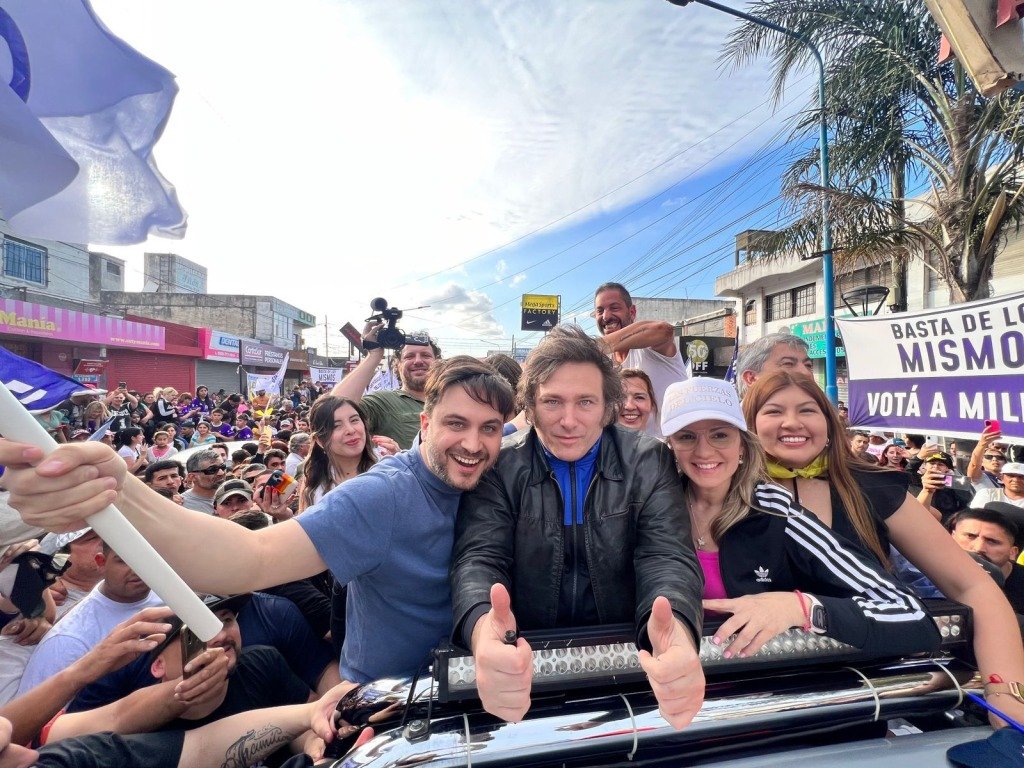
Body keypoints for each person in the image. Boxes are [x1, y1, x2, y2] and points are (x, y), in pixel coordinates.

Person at [0, 356, 515, 686]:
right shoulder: (384, 495)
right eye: (455, 424)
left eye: (488, 428)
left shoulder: (503, 474)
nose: (473, 444)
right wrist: (118, 488)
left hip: (478, 693)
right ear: (424, 424)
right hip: (392, 711)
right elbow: (249, 559)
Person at [451, 325, 703, 728]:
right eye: (552, 402)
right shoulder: (501, 465)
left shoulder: (647, 460)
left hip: (630, 659)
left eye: (585, 402)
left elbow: (666, 554)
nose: (568, 421)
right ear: (530, 407)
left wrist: (675, 627)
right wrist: (484, 630)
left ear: (608, 407)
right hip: (524, 661)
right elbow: (479, 558)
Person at [742, 370, 1024, 728]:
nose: (792, 422)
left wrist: (1006, 700)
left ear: (830, 423)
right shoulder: (723, 488)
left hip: (868, 697)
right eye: (774, 411)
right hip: (741, 700)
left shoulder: (872, 486)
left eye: (807, 410)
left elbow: (973, 586)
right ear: (748, 424)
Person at [660, 377, 939, 659]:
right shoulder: (650, 511)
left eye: (720, 435)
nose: (704, 451)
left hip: (761, 693)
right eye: (687, 436)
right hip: (650, 691)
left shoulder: (775, 510)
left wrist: (801, 608)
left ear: (743, 445)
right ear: (670, 445)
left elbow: (908, 612)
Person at [16, 543, 165, 697]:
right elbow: (34, 712)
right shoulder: (68, 641)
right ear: (101, 561)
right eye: (124, 560)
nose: (137, 568)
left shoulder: (171, 588)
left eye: (145, 557)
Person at [592, 282, 687, 438]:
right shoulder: (603, 363)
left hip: (671, 452)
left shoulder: (650, 348)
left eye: (614, 308)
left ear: (632, 312)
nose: (606, 316)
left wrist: (592, 346)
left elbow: (663, 330)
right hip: (629, 455)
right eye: (600, 310)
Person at [332, 323, 442, 450]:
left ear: (437, 362)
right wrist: (374, 354)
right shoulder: (382, 402)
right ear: (397, 364)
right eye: (409, 356)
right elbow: (335, 406)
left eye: (425, 355)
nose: (418, 361)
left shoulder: (451, 399)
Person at [298, 397, 377, 512]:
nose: (350, 430)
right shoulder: (314, 488)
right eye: (336, 426)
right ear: (320, 440)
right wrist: (283, 516)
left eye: (354, 420)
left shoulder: (388, 466)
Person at [948, 508, 1024, 614]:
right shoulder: (930, 572)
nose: (979, 548)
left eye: (992, 541)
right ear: (951, 537)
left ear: (1013, 552)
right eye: (970, 536)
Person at [734, 333, 813, 395]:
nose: (806, 372)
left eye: (808, 365)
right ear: (751, 378)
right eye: (788, 363)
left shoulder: (821, 414)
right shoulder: (728, 416)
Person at [179, 450, 226, 514]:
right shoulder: (181, 505)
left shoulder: (235, 496)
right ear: (192, 477)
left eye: (223, 467)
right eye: (212, 470)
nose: (221, 473)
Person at [617, 368, 657, 433]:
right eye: (620, 397)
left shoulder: (661, 443)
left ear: (652, 404)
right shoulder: (594, 441)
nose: (629, 406)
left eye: (639, 397)